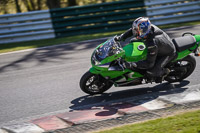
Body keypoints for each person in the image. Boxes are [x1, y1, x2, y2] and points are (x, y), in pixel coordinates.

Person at [115, 17, 177, 82]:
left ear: (144, 31)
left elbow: (149, 64)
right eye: (136, 30)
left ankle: (164, 72)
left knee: (152, 72)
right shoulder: (148, 28)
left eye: (138, 31)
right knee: (133, 41)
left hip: (168, 53)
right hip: (161, 45)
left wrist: (132, 64)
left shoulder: (152, 44)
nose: (135, 32)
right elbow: (132, 30)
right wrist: (121, 37)